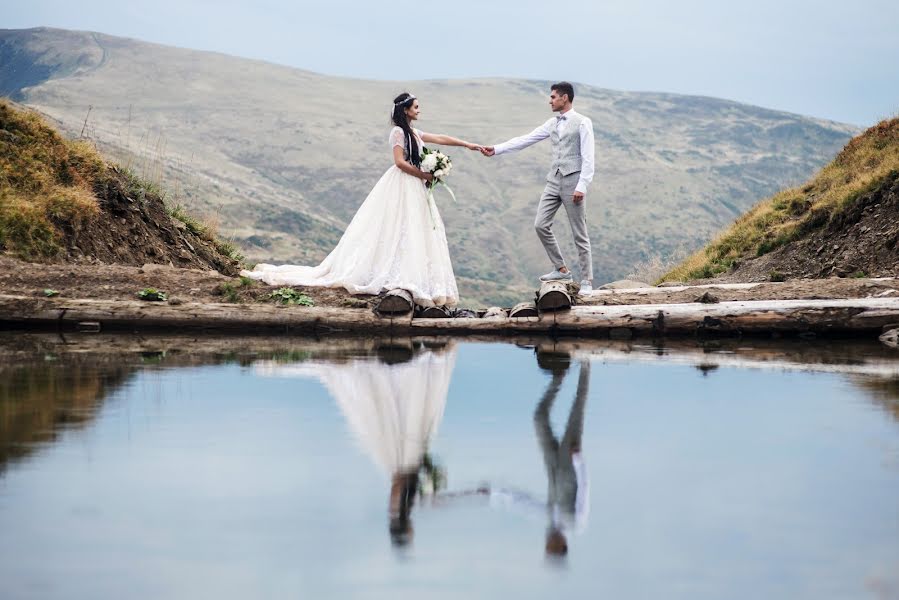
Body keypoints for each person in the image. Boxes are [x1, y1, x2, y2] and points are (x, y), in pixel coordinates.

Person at [241, 93, 483, 308]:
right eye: (416, 107)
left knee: (415, 229)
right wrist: (424, 174)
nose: (419, 110)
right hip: (403, 183)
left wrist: (467, 144)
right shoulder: (398, 132)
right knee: (397, 226)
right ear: (406, 111)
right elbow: (399, 162)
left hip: (415, 186)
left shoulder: (415, 133)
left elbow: (439, 138)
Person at [481, 82, 596, 293]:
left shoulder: (582, 122)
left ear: (565, 98)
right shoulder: (551, 123)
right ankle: (561, 269)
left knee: (579, 232)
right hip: (553, 181)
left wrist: (583, 185)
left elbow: (589, 157)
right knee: (540, 224)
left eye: (553, 97)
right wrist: (496, 149)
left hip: (573, 182)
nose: (550, 100)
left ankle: (587, 280)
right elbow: (525, 139)